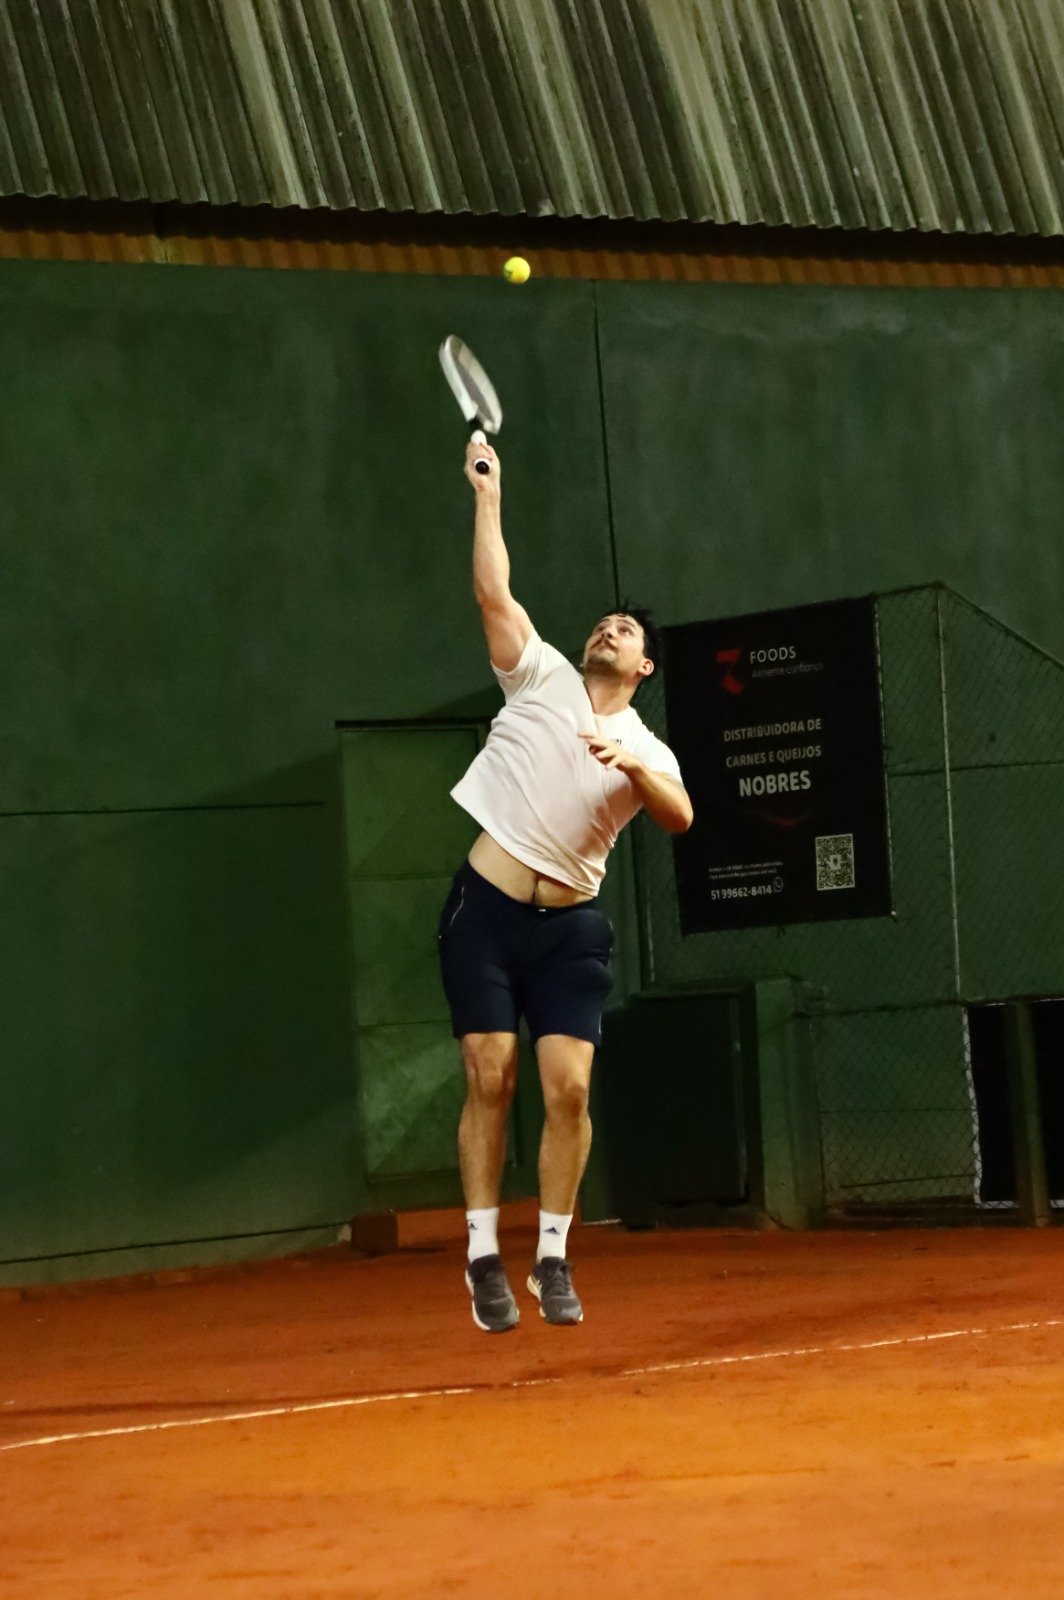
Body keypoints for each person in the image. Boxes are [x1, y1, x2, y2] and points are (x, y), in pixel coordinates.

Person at [438, 437, 693, 1333]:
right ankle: (482, 1256)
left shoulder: (649, 749)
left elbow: (679, 816)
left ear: (644, 667)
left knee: (570, 1093)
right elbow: (493, 593)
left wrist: (633, 764)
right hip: (483, 914)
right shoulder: (539, 674)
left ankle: (551, 1255)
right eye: (603, 624)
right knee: (490, 1073)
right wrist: (488, 495)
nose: (607, 632)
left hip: (570, 932)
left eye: (625, 632)